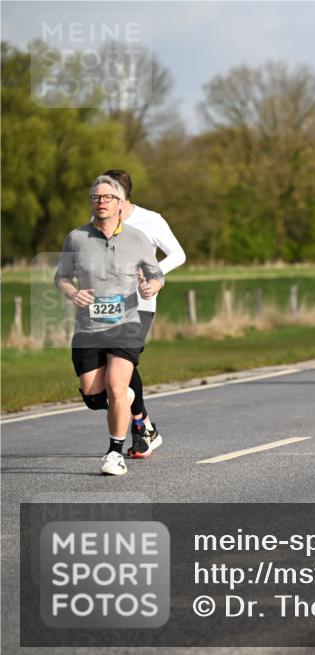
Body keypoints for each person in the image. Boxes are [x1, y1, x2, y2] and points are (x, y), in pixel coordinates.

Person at [54, 175, 165, 476]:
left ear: (119, 204)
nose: (101, 201)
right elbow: (61, 277)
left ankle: (115, 452)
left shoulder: (138, 239)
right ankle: (124, 400)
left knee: (117, 386)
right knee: (93, 396)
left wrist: (152, 287)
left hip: (125, 325)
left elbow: (156, 274)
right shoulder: (76, 238)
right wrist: (73, 292)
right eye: (96, 197)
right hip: (89, 328)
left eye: (107, 197)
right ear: (91, 203)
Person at [102, 169, 185, 459]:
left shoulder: (151, 220)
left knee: (122, 363)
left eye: (109, 195)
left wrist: (153, 274)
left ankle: (140, 428)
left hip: (140, 304)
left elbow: (178, 254)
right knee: (119, 367)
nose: (102, 200)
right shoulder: (100, 220)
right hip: (109, 304)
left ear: (123, 197)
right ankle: (145, 426)